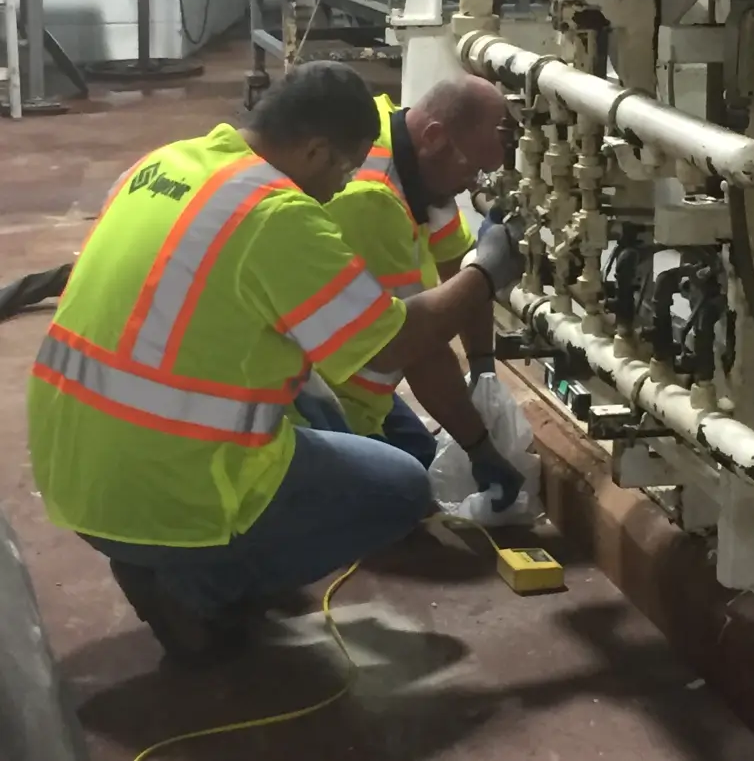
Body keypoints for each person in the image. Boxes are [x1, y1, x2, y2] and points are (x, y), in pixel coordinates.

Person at [26, 61, 525, 665]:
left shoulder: (169, 161)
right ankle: (199, 588)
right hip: (167, 490)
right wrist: (485, 273)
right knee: (400, 488)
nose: (343, 185)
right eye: (341, 167)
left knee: (317, 401)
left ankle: (164, 557)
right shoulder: (278, 214)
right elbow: (392, 345)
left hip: (71, 469)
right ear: (314, 149)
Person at [309, 80, 525, 512]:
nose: (471, 186)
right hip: (317, 392)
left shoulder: (407, 145)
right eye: (470, 171)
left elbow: (457, 265)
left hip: (358, 375)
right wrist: (481, 448)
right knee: (407, 494)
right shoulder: (372, 198)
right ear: (435, 137)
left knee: (427, 457)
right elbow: (416, 346)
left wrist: (483, 367)